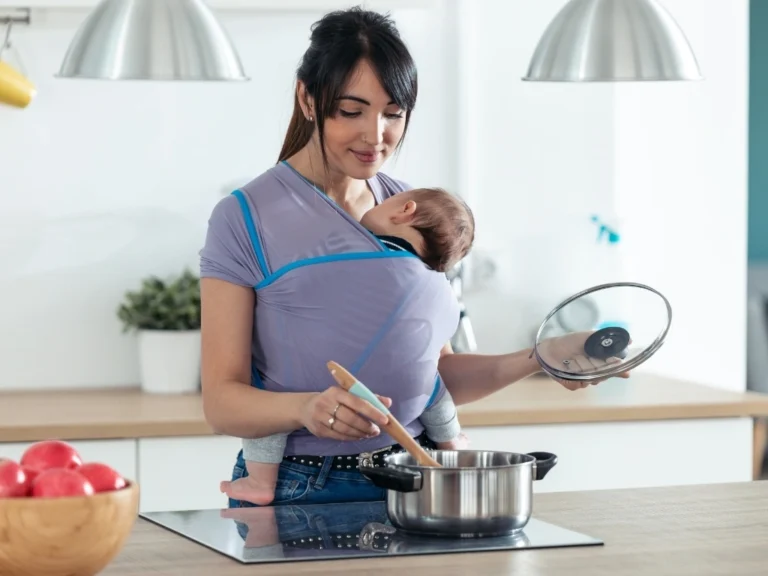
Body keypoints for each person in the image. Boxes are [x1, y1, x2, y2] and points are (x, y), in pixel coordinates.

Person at [199, 6, 628, 510]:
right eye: (351, 110)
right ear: (307, 98)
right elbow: (221, 403)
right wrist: (306, 410)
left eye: (394, 113)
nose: (375, 135)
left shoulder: (411, 210)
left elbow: (432, 379)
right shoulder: (245, 217)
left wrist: (540, 357)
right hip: (300, 486)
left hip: (415, 476)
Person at [221, 186, 476, 506]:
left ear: (404, 210)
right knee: (432, 387)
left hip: (318, 397)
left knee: (268, 395)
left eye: (385, 202)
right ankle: (450, 443)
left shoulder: (338, 250)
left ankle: (261, 479)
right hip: (403, 425)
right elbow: (440, 355)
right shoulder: (434, 285)